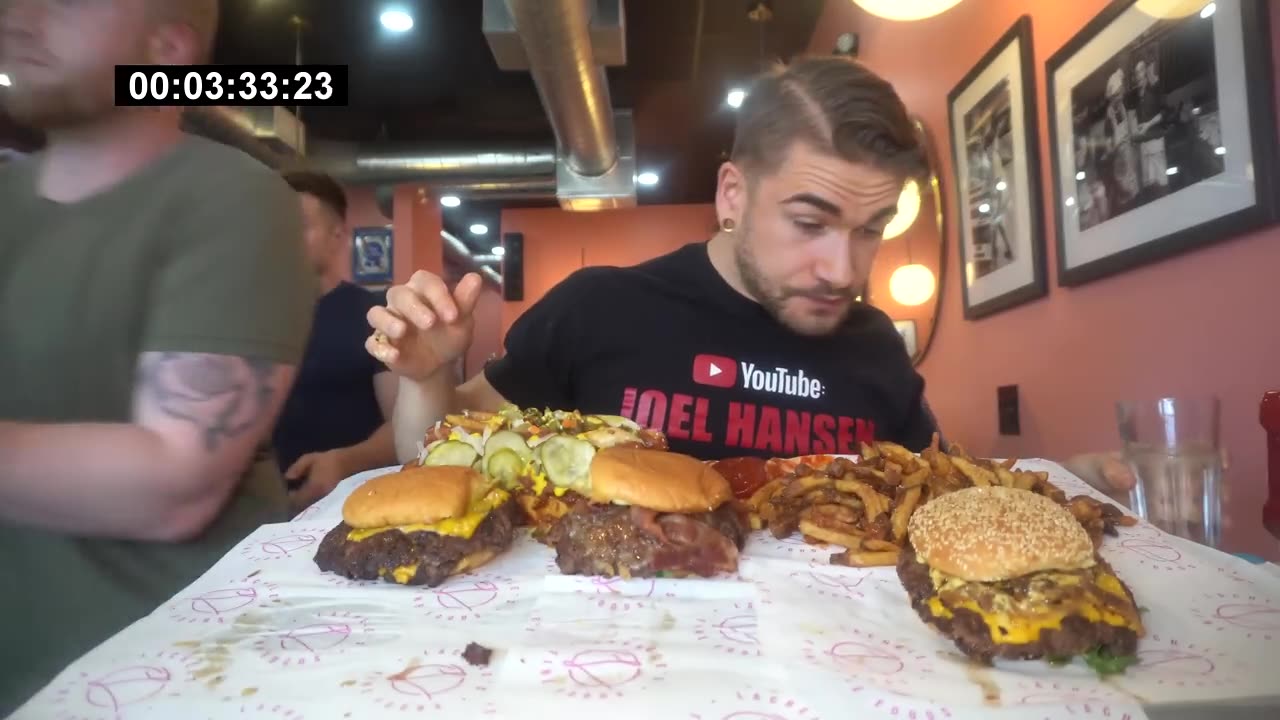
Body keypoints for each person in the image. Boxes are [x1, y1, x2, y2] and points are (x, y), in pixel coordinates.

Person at [369, 56, 938, 462]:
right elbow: (435, 452)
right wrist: (426, 378)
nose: (843, 271)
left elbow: (934, 496)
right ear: (733, 195)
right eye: (809, 224)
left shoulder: (877, 346)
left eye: (871, 229)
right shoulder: (599, 308)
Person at [0, 0, 314, 712]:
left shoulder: (231, 199)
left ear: (166, 50)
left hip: (158, 683)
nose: (21, 14)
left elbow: (174, 486)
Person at [275, 171, 398, 509]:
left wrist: (345, 461)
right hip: (262, 510)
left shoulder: (374, 315)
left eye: (299, 225)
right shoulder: (250, 316)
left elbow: (404, 424)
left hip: (352, 503)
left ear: (337, 235)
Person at [1133, 57, 1168, 201]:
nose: (1138, 76)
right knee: (1150, 185)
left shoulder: (1155, 90)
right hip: (1145, 145)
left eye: (1141, 72)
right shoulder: (1137, 97)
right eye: (1136, 73)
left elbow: (1163, 114)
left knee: (1162, 183)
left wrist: (1147, 125)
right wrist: (1139, 127)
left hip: (1156, 141)